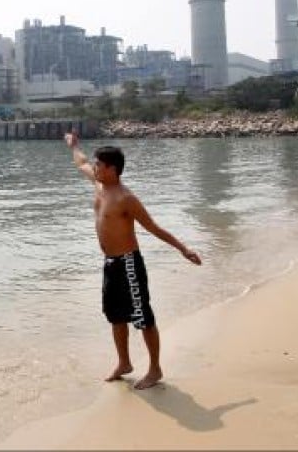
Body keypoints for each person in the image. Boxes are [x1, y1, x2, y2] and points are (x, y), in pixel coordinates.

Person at [65, 131, 202, 389]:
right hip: (110, 264)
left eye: (99, 165)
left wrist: (183, 249)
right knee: (116, 317)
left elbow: (153, 227)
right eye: (95, 164)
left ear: (112, 169)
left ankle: (155, 369)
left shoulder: (126, 199)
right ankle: (124, 362)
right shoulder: (100, 186)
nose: (94, 168)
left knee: (143, 318)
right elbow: (80, 162)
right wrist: (74, 145)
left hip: (129, 264)